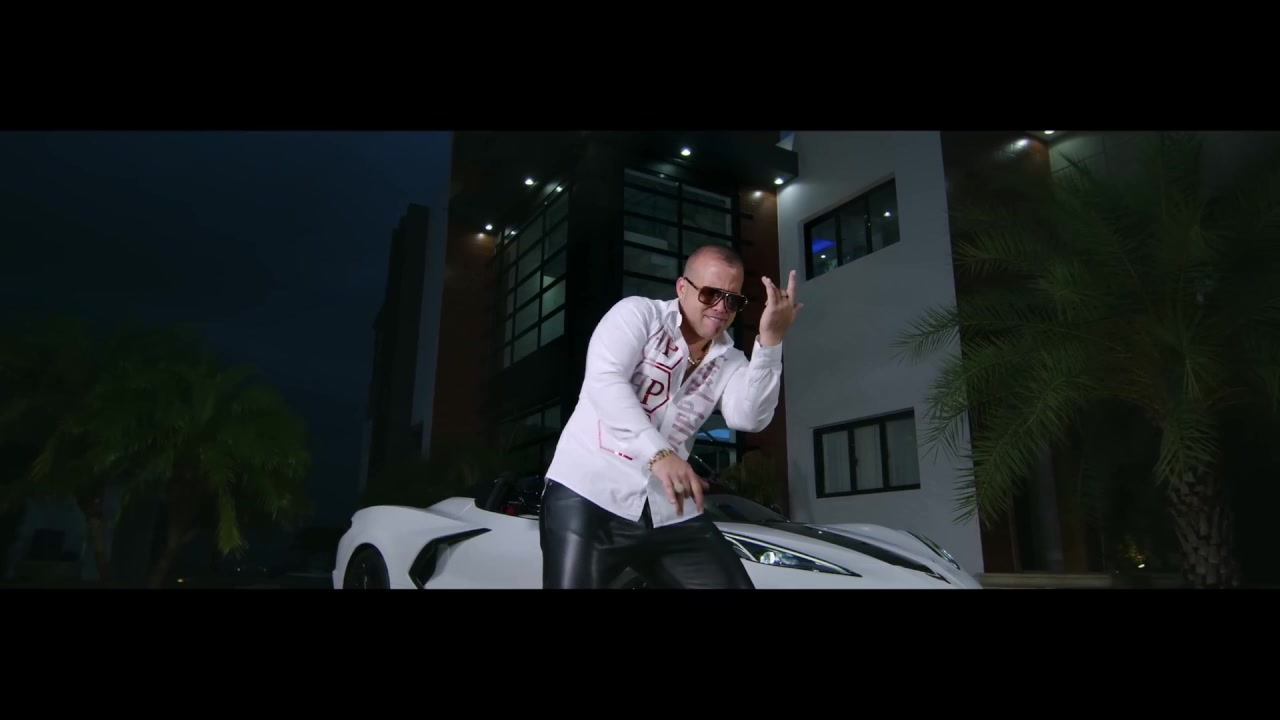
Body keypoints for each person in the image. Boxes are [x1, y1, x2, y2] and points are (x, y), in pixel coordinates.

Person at [539, 244, 803, 589]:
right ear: (682, 287)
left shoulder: (731, 360)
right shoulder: (638, 315)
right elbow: (605, 381)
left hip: (668, 509)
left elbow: (750, 419)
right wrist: (659, 453)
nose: (721, 308)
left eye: (733, 300)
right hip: (589, 495)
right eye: (711, 294)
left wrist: (771, 341)